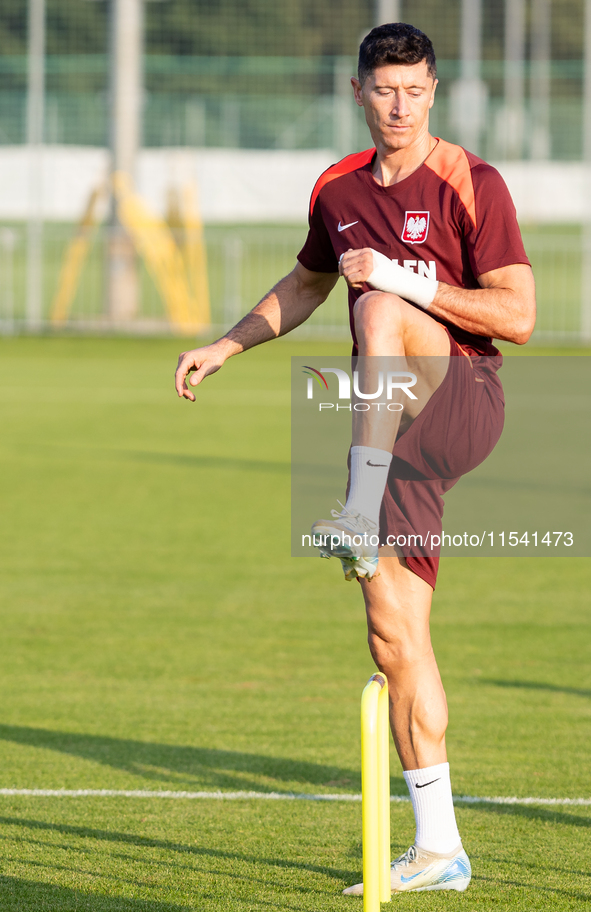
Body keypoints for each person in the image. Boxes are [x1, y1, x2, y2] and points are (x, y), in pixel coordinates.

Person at [175, 22, 536, 896]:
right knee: (394, 640)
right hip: (388, 428)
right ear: (358, 91)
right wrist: (226, 346)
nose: (400, 105)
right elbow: (305, 282)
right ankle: (438, 845)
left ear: (435, 91)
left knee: (378, 308)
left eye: (415, 89)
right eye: (386, 89)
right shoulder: (335, 187)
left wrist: (407, 283)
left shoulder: (469, 182)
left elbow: (518, 317)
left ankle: (354, 506)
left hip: (459, 400)